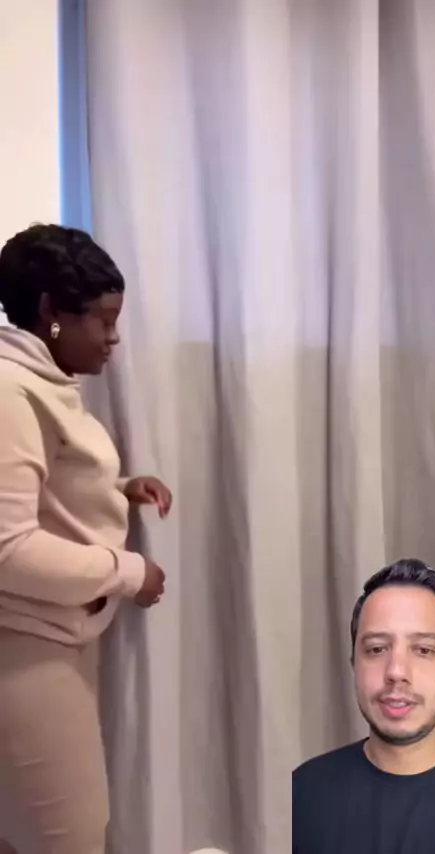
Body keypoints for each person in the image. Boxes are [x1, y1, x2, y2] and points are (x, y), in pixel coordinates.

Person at [0, 224, 172, 854]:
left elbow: (42, 488)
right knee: (67, 839)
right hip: (25, 649)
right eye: (102, 319)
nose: (113, 336)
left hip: (50, 641)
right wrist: (130, 572)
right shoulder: (10, 392)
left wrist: (117, 489)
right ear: (51, 310)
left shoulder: (40, 383)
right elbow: (7, 549)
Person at [292, 558, 435, 854]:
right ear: (354, 665)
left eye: (424, 650)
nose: (396, 671)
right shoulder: (301, 794)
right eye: (377, 649)